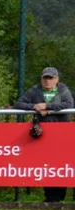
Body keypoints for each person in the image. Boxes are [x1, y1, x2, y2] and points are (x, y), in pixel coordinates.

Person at [15, 68, 73, 202]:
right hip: (43, 135)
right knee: (46, 164)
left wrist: (48, 107)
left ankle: (58, 197)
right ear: (41, 78)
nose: (47, 80)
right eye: (45, 78)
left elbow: (69, 104)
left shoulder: (63, 90)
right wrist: (36, 107)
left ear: (57, 79)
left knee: (61, 165)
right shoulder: (35, 90)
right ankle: (50, 197)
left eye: (51, 78)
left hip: (61, 134)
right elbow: (19, 103)